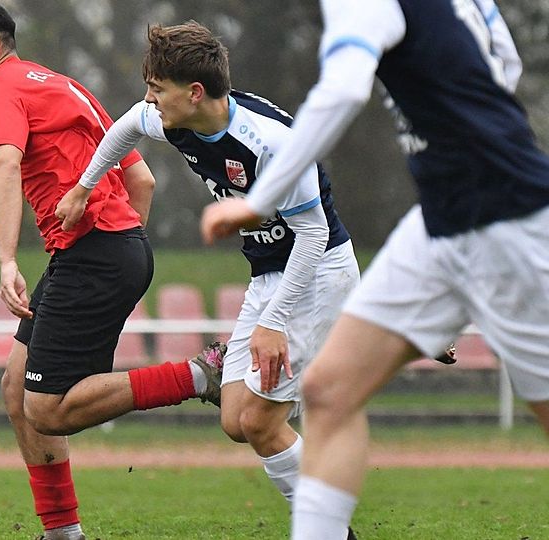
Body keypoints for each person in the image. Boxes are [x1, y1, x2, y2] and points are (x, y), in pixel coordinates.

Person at [197, 1, 549, 538]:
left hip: (508, 222)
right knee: (331, 390)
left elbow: (343, 90)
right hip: (440, 219)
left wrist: (258, 200)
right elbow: (505, 61)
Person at [58, 21, 363, 539]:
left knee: (261, 423)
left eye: (158, 88)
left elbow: (314, 236)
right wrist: (84, 188)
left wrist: (273, 322)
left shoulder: (272, 143)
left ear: (195, 92)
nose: (149, 99)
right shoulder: (174, 119)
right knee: (236, 419)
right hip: (268, 275)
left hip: (315, 274)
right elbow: (126, 126)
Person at [0, 3, 225, 539]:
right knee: (17, 386)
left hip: (96, 253)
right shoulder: (64, 86)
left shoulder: (1, 90)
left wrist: (7, 260)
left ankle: (199, 375)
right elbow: (142, 182)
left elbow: (4, 162)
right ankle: (62, 533)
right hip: (111, 249)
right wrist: (120, 248)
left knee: (48, 409)